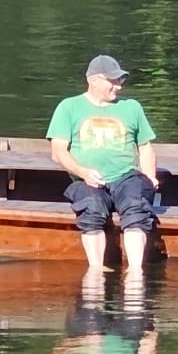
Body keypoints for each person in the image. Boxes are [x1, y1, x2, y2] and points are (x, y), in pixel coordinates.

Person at [48, 54, 159, 277]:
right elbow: (58, 152)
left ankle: (135, 272)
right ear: (94, 80)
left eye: (120, 81)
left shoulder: (132, 107)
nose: (118, 86)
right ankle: (96, 271)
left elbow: (145, 147)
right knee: (91, 207)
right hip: (86, 179)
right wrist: (83, 172)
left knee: (135, 206)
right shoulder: (69, 107)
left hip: (126, 176)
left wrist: (150, 176)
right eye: (113, 80)